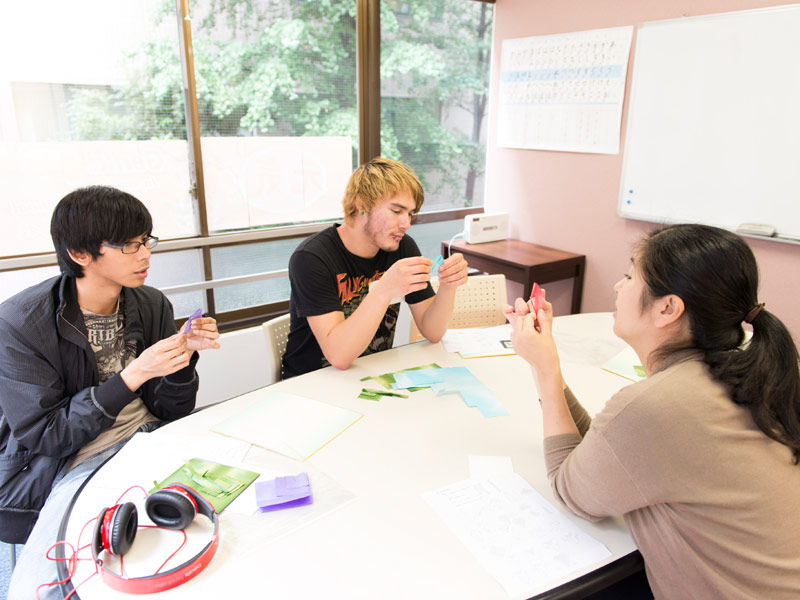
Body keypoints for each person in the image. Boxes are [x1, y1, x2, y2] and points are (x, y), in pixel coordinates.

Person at [506, 224, 800, 599]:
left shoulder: (656, 407)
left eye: (630, 276)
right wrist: (547, 364)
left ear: (667, 308)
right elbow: (610, 447)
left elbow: (571, 490)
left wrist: (545, 370)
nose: (617, 286)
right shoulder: (750, 372)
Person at [1, 186, 220, 599]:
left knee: (224, 506)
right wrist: (132, 376)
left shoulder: (150, 303)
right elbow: (47, 435)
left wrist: (182, 359)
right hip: (70, 459)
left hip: (151, 435)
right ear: (80, 254)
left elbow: (172, 409)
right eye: (129, 245)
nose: (145, 255)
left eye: (146, 240)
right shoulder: (19, 323)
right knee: (52, 582)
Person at [282, 157, 469, 378]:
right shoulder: (312, 258)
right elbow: (339, 357)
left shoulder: (402, 247)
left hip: (368, 375)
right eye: (397, 211)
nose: (406, 224)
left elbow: (433, 331)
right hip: (311, 382)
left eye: (410, 214)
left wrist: (449, 285)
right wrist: (384, 290)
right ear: (362, 204)